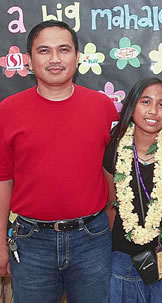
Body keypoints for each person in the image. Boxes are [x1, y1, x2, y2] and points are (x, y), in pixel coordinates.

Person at [0, 21, 118, 303]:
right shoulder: (8, 110)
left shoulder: (102, 107)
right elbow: (4, 179)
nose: (54, 59)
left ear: (77, 57)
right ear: (29, 60)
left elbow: (114, 172)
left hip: (92, 239)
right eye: (44, 50)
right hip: (30, 243)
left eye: (63, 50)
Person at [103, 77, 162, 303]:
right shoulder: (114, 152)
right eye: (146, 102)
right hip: (121, 260)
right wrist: (102, 261)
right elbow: (111, 209)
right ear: (133, 106)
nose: (153, 111)